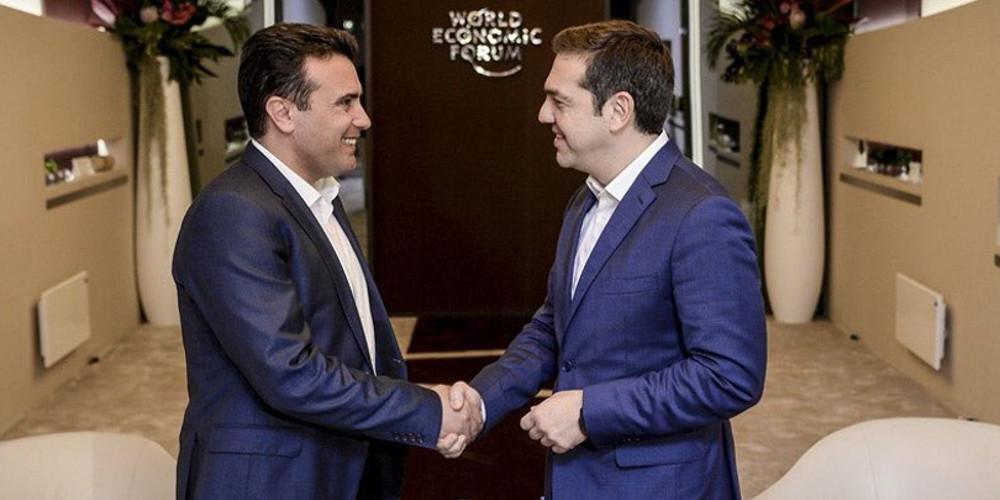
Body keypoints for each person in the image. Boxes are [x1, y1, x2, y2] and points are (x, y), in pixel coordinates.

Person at [452, 20, 767, 499]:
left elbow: (730, 376)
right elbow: (555, 325)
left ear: (618, 110)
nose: (543, 114)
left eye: (559, 101)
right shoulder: (585, 199)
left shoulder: (702, 214)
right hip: (580, 477)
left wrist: (587, 412)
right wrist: (482, 399)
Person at [172, 23, 481, 500]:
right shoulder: (233, 212)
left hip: (337, 460)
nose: (363, 119)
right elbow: (289, 373)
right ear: (282, 112)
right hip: (271, 482)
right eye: (345, 102)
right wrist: (426, 410)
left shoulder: (320, 196)